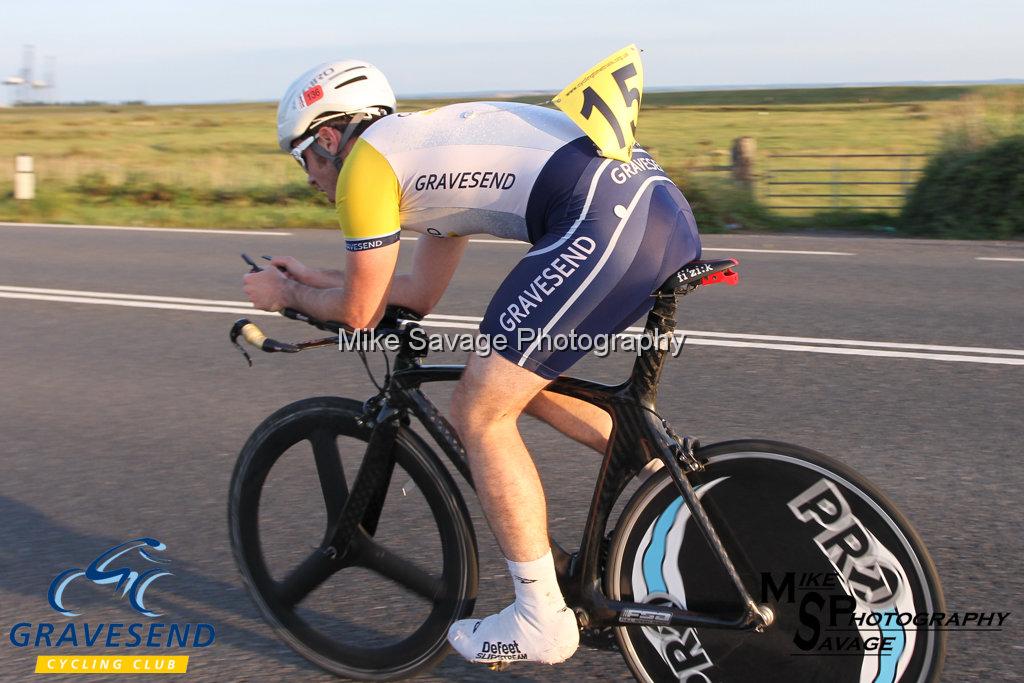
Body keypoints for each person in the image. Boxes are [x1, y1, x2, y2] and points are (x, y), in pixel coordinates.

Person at [243, 59, 702, 665]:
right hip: (657, 211)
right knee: (517, 377)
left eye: (302, 158)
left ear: (327, 139)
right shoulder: (421, 154)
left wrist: (285, 297)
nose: (307, 178)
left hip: (602, 219)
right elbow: (414, 294)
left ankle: (541, 615)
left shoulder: (365, 169)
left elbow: (358, 314)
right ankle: (680, 482)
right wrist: (313, 279)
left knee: (478, 409)